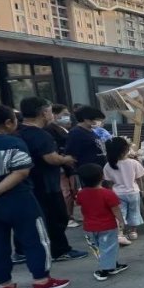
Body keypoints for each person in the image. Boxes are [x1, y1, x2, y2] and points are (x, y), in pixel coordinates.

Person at [0, 104, 70, 288]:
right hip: (19, 199)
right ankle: (41, 280)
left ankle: (4, 286)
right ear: (8, 123)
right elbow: (21, 171)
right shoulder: (13, 142)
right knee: (35, 238)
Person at [16, 97, 87, 262]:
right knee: (56, 217)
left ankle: (21, 251)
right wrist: (66, 159)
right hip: (46, 184)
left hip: (25, 184)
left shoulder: (17, 131)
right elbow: (51, 158)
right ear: (43, 113)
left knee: (27, 218)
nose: (52, 115)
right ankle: (59, 250)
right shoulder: (41, 135)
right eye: (50, 111)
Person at [75, 163, 128, 282]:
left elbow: (78, 204)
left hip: (89, 226)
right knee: (109, 247)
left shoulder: (81, 193)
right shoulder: (108, 193)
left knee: (98, 248)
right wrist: (121, 221)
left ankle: (112, 265)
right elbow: (115, 209)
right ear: (102, 177)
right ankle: (105, 270)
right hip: (107, 226)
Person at [104, 136, 144, 244]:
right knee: (134, 212)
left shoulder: (108, 165)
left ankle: (120, 233)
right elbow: (139, 179)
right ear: (126, 150)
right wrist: (142, 191)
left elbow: (109, 182)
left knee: (120, 213)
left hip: (117, 193)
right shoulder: (134, 163)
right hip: (133, 192)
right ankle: (133, 232)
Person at [49, 103, 78, 227]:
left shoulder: (65, 129)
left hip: (68, 165)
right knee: (66, 192)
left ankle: (70, 215)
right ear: (55, 115)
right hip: (61, 165)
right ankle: (67, 217)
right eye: (65, 114)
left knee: (71, 190)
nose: (68, 117)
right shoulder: (51, 130)